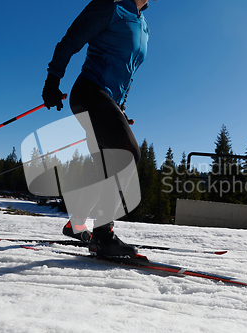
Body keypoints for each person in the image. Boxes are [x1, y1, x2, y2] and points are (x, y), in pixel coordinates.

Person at [42, 0, 150, 258]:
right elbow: (71, 39)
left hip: (109, 100)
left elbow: (126, 70)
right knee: (127, 153)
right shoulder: (111, 6)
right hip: (90, 91)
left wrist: (119, 107)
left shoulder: (143, 25)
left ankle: (76, 224)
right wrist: (52, 80)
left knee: (104, 166)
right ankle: (103, 234)